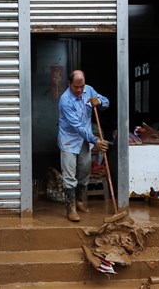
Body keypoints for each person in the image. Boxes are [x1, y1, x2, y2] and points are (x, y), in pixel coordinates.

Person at [58, 70, 110, 222]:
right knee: (69, 175)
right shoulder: (65, 100)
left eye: (82, 86)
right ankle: (70, 208)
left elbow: (106, 101)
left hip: (84, 141)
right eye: (76, 87)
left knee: (84, 170)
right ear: (69, 84)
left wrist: (100, 102)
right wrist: (96, 140)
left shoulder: (89, 90)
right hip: (69, 140)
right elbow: (77, 126)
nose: (80, 90)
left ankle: (80, 201)